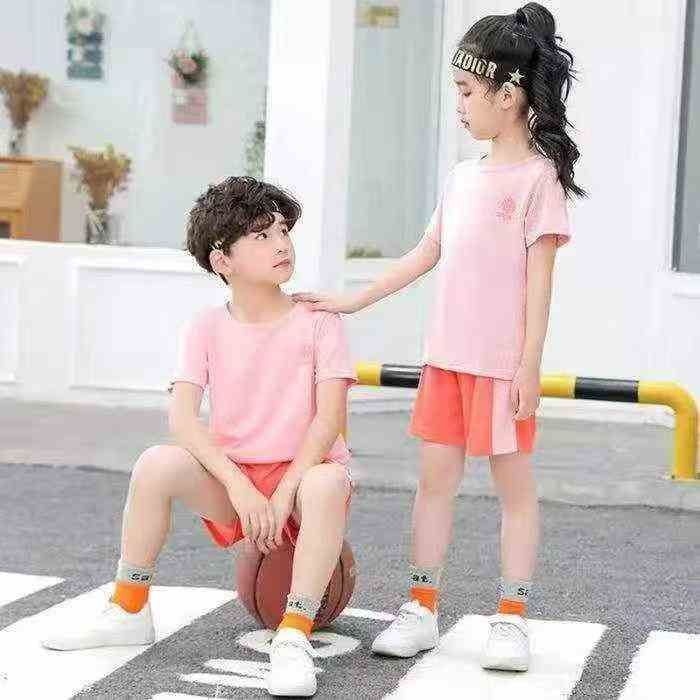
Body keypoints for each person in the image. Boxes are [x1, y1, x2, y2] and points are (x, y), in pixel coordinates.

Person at [292, 2, 585, 672]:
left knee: (515, 491)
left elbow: (540, 284)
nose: (458, 104)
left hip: (502, 368)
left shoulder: (538, 180)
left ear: (507, 94)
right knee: (433, 485)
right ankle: (421, 608)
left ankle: (511, 617)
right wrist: (353, 300)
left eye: (466, 90)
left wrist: (529, 366)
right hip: (445, 362)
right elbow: (425, 253)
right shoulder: (462, 178)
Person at [41, 176, 358, 698]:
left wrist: (282, 493)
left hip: (305, 476)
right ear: (222, 259)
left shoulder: (319, 322)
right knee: (155, 464)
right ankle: (129, 608)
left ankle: (294, 634)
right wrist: (240, 489)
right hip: (237, 478)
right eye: (262, 235)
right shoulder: (206, 327)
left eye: (283, 230)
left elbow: (328, 422)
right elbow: (183, 420)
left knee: (326, 484)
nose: (282, 243)